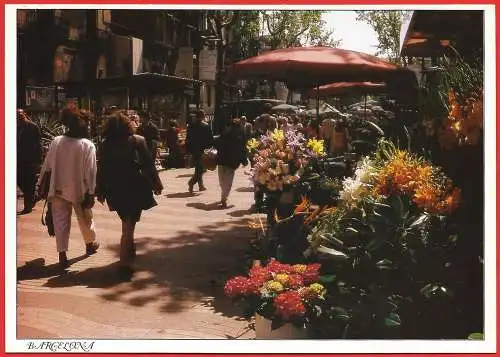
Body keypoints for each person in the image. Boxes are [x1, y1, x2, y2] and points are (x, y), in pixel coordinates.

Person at [96, 112, 163, 268]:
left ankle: (129, 248)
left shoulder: (105, 144)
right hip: (135, 186)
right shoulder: (138, 140)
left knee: (127, 220)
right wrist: (156, 184)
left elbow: (102, 168)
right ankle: (125, 257)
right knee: (129, 222)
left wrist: (100, 190)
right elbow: (148, 165)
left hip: (115, 187)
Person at [37, 108, 100, 269]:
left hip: (57, 188)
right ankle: (90, 243)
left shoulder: (57, 141)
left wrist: (40, 185)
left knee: (60, 221)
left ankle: (62, 254)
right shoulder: (88, 145)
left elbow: (47, 166)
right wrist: (91, 192)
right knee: (85, 218)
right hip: (80, 190)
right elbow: (91, 172)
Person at [215, 118, 248, 208]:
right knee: (228, 181)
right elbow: (243, 149)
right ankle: (224, 197)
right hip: (232, 162)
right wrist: (244, 160)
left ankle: (223, 196)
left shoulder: (225, 134)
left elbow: (217, 143)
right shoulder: (240, 136)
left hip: (221, 160)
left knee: (222, 180)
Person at [17, 109, 42, 214]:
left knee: (29, 184)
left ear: (25, 115)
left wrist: (38, 162)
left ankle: (28, 207)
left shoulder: (33, 127)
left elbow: (38, 145)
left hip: (30, 160)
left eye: (20, 115)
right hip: (18, 159)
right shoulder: (16, 127)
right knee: (19, 180)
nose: (18, 117)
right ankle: (34, 197)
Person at [185, 109, 214, 194]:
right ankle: (191, 182)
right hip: (202, 150)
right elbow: (210, 139)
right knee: (201, 169)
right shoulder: (206, 126)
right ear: (202, 116)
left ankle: (201, 186)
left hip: (193, 149)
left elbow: (188, 138)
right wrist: (210, 147)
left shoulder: (190, 125)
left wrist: (189, 149)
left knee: (199, 167)